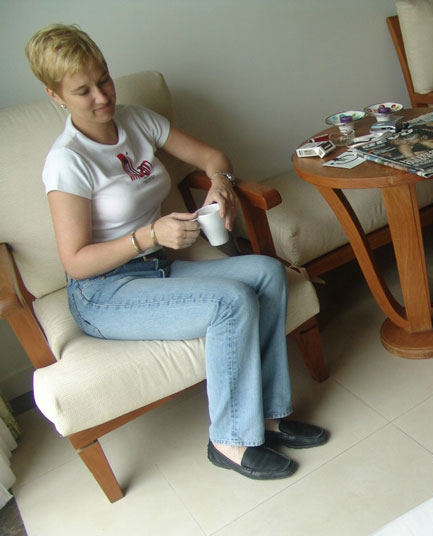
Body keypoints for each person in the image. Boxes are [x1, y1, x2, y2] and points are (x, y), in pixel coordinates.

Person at [25, 24, 328, 480]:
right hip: (103, 291)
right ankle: (228, 441)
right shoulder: (67, 161)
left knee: (267, 272)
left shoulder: (135, 120)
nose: (102, 97)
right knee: (231, 301)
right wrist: (149, 235)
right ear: (56, 96)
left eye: (104, 80)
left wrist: (221, 186)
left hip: (157, 269)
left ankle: (268, 416)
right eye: (83, 91)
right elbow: (75, 261)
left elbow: (213, 157)